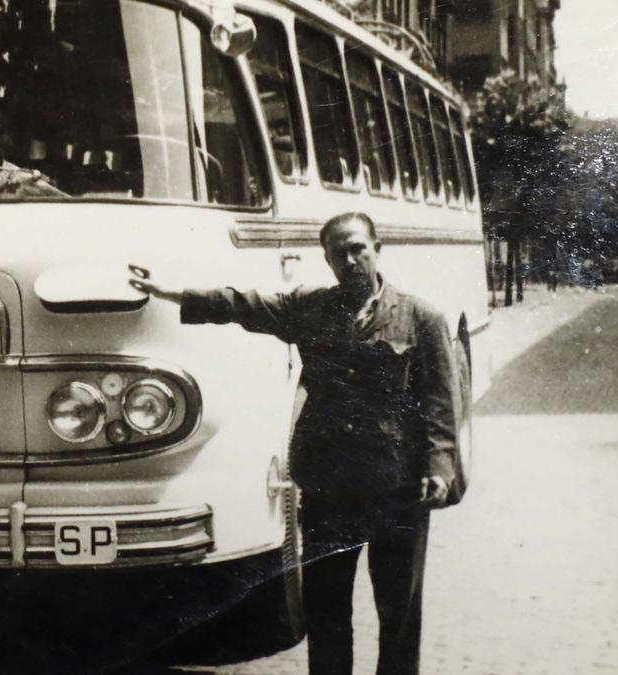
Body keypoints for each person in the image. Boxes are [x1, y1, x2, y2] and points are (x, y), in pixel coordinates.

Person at [130, 212, 456, 675]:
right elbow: (242, 304)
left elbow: (441, 402)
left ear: (377, 248)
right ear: (326, 259)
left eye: (358, 248)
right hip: (329, 487)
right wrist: (169, 292)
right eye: (338, 253)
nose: (350, 260)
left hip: (397, 489)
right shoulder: (313, 309)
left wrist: (440, 468)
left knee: (398, 612)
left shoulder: (422, 319)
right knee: (326, 609)